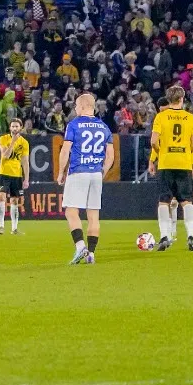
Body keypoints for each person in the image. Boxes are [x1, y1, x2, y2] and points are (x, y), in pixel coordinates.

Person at [55, 93, 112, 265]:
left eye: (76, 106)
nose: (75, 109)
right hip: (96, 173)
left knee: (71, 211)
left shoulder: (74, 124)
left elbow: (65, 150)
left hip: (78, 171)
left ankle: (80, 247)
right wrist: (103, 172)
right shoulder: (104, 127)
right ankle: (91, 254)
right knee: (93, 215)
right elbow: (110, 155)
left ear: (83, 106)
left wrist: (60, 172)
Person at [148, 86, 193, 251]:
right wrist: (187, 155)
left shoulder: (161, 117)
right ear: (182, 99)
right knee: (186, 201)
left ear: (168, 99)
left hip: (166, 163)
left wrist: (160, 152)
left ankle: (165, 236)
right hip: (184, 163)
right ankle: (191, 236)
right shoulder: (190, 118)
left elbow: (153, 142)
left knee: (163, 201)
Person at [0, 118, 29, 235]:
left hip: (17, 175)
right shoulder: (3, 139)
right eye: (13, 126)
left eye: (17, 127)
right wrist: (13, 142)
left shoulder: (24, 143)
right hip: (4, 173)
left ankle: (14, 229)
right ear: (9, 128)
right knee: (2, 197)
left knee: (14, 201)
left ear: (21, 128)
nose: (14, 128)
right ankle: (1, 226)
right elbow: (5, 156)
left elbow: (25, 161)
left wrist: (26, 179)